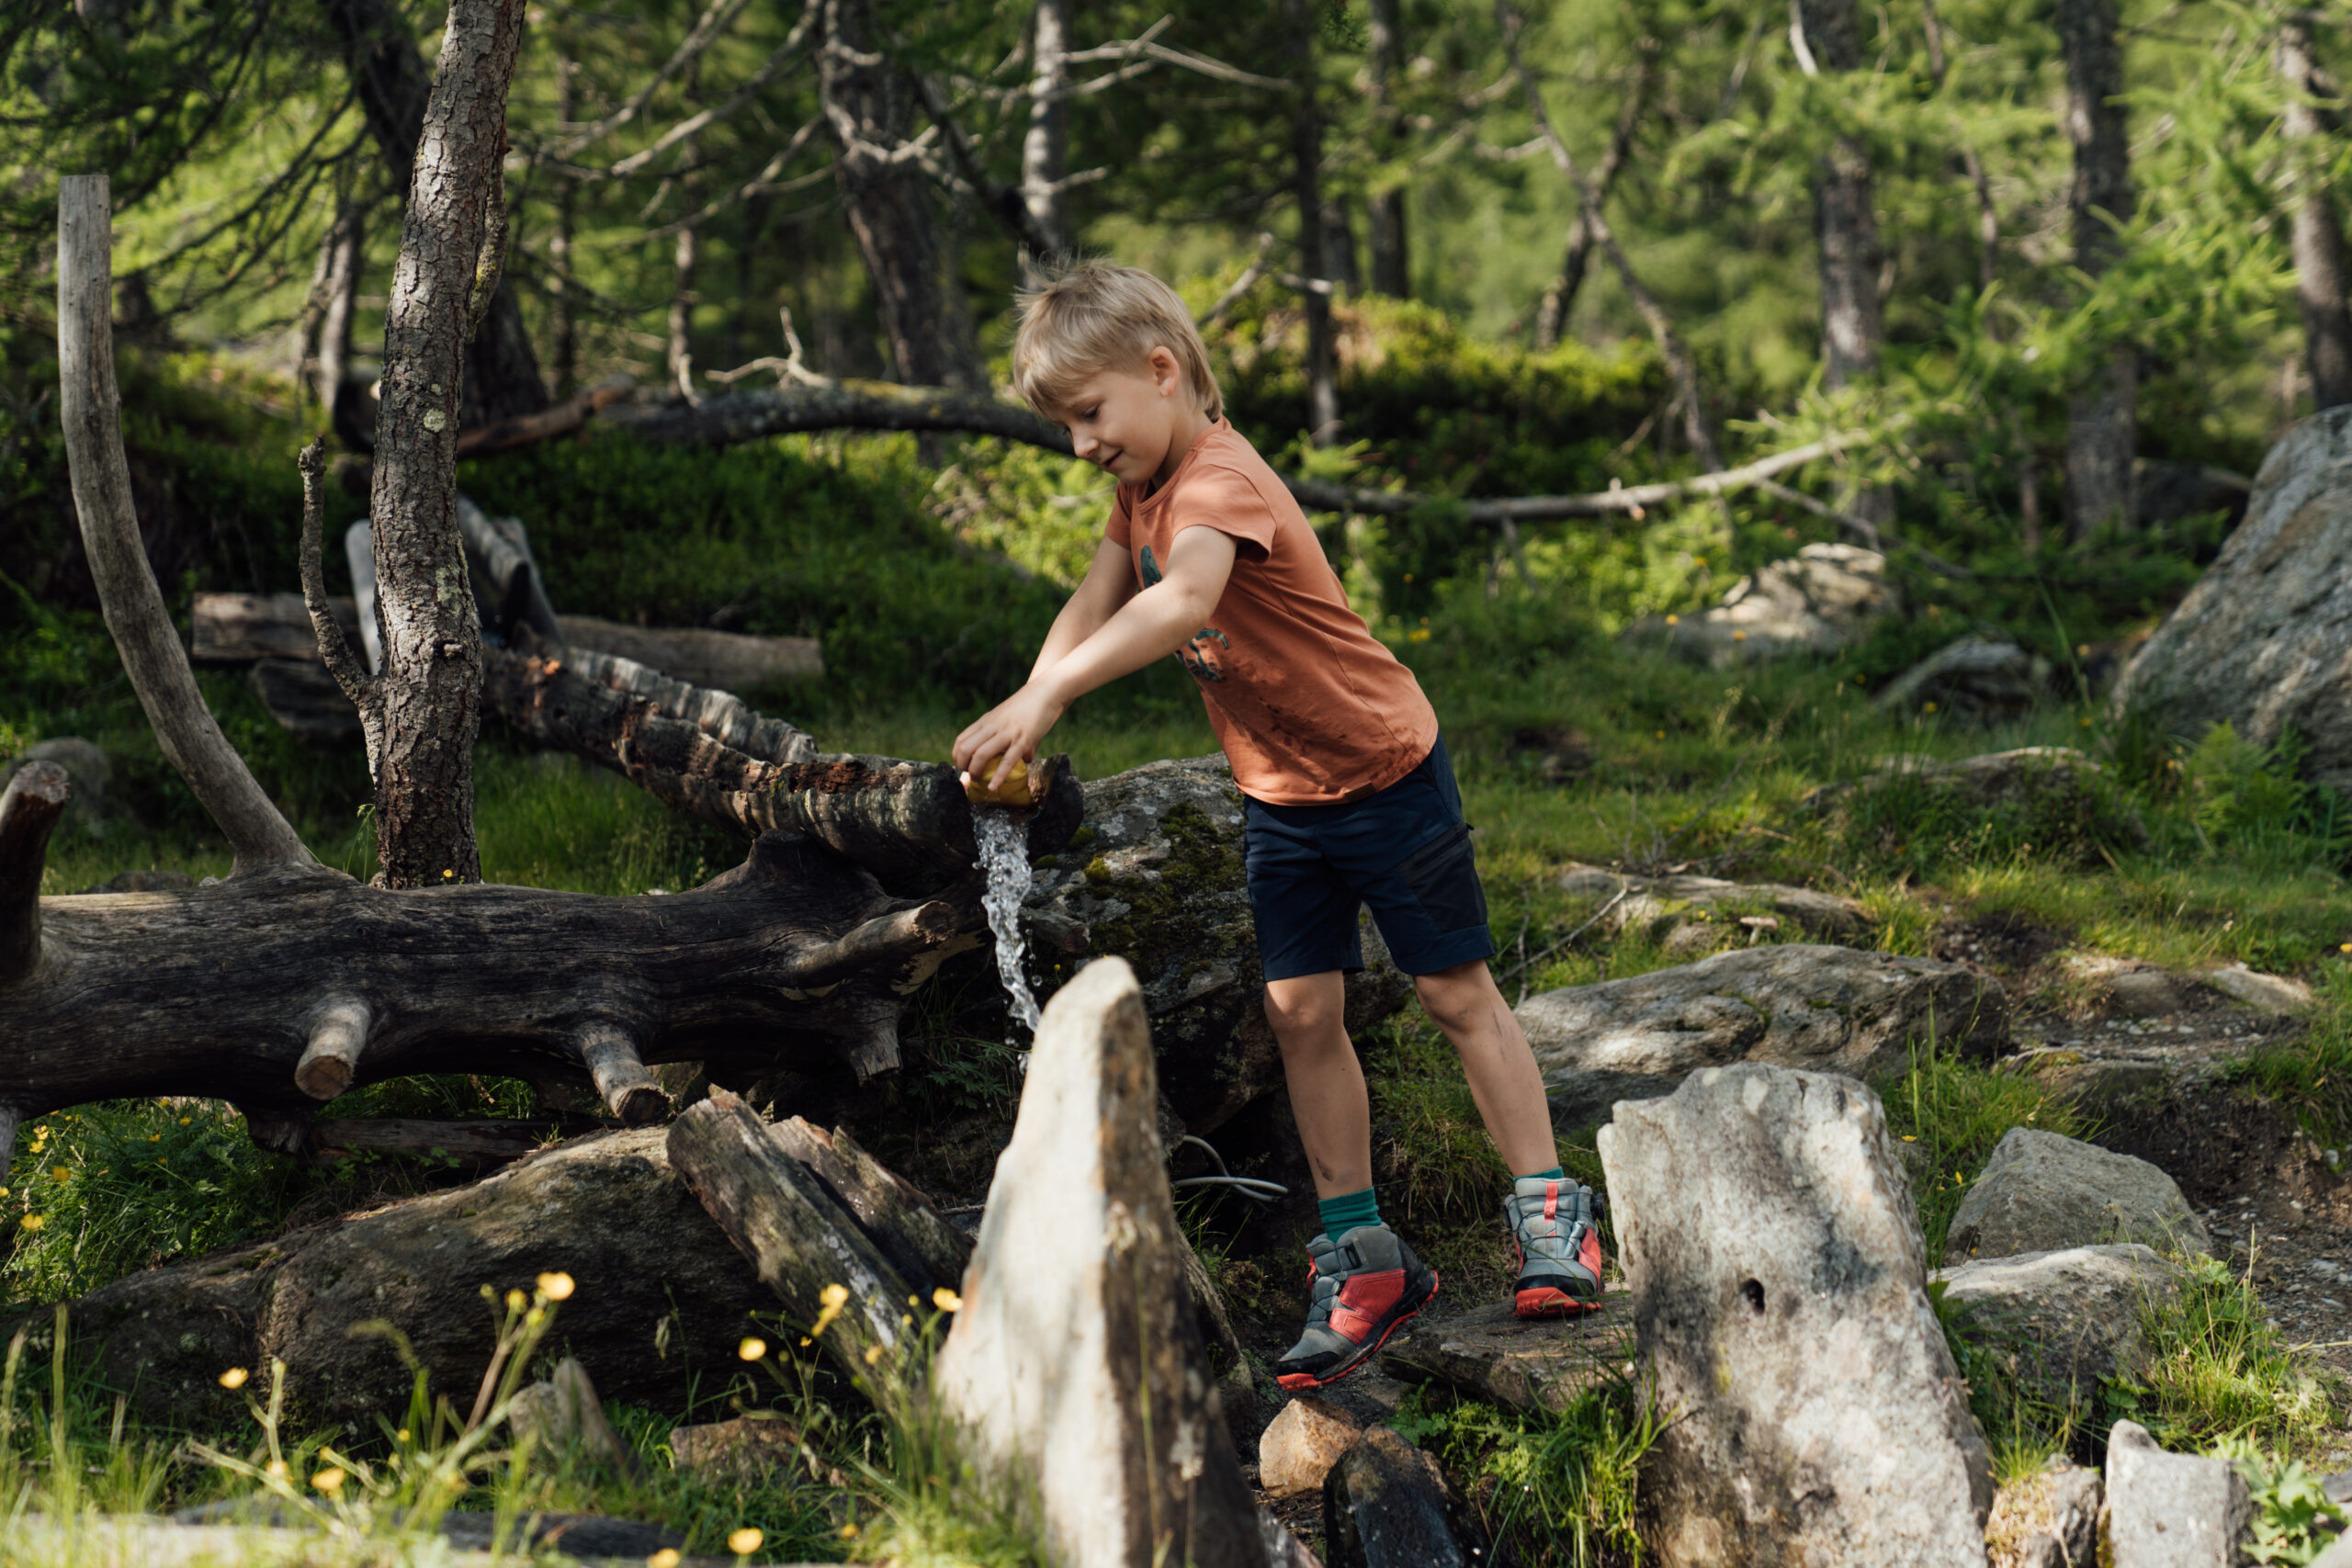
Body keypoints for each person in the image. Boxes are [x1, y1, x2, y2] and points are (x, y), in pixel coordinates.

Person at [952, 259, 1603, 1391]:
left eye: (1091, 414)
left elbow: (1183, 600)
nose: (1081, 445)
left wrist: (1052, 698)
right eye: (1065, 427)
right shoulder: (1141, 491)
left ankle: (1550, 1213)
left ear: (1162, 371)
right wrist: (1026, 697)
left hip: (1385, 771)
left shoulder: (1218, 480)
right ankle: (1363, 1258)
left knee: (1454, 992)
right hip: (1282, 797)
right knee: (1300, 1014)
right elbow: (1097, 599)